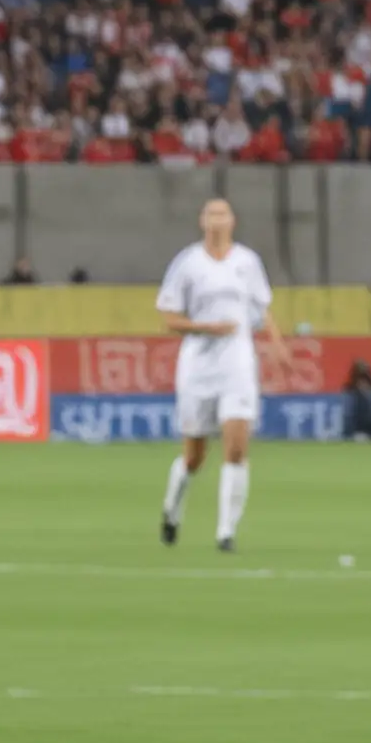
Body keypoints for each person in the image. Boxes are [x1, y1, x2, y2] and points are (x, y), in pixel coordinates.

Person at [155, 198, 286, 551]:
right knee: (195, 455)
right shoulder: (188, 263)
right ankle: (172, 509)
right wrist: (207, 327)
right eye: (211, 214)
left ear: (232, 221)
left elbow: (263, 309)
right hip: (198, 367)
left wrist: (278, 347)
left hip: (237, 365)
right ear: (202, 221)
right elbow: (169, 317)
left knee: (236, 448)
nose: (216, 220)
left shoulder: (247, 262)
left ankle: (225, 532)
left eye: (222, 214)